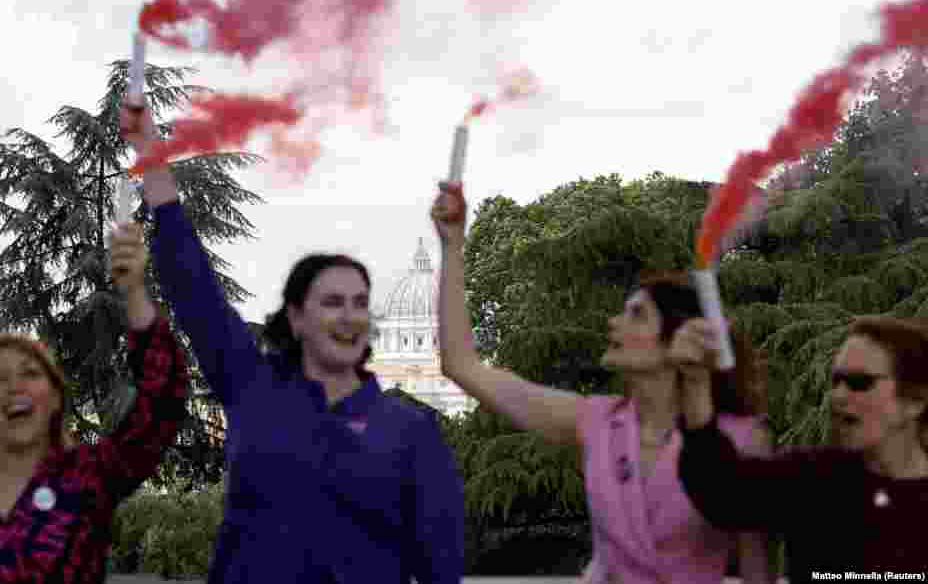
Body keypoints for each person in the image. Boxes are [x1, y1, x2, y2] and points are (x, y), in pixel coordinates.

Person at [120, 101, 464, 584]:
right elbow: (192, 286)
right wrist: (148, 150)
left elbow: (441, 572)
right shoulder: (254, 389)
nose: (348, 315)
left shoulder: (411, 432)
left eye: (359, 302)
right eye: (332, 302)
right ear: (297, 317)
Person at [430, 181, 774, 584]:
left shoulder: (743, 440)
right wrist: (453, 246)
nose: (613, 322)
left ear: (680, 340)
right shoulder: (597, 423)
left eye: (637, 314)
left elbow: (758, 576)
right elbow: (462, 365)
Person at [0, 223, 188, 583]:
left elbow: (162, 401)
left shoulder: (89, 476)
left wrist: (134, 290)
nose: (14, 385)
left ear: (56, 398)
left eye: (30, 373)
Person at [673, 313, 928, 578]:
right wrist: (695, 383)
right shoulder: (816, 478)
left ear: (915, 401)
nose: (838, 395)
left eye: (859, 383)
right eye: (836, 381)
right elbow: (723, 491)